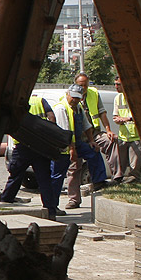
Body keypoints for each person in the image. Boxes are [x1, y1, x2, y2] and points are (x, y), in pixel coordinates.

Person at [0, 94, 60, 218]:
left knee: (16, 175)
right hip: (40, 146)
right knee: (44, 180)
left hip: (23, 146)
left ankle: (6, 201)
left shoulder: (16, 103)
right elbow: (52, 118)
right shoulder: (40, 101)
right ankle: (50, 210)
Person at [64, 74, 111, 209]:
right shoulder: (64, 105)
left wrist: (91, 141)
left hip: (84, 139)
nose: (83, 87)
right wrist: (71, 148)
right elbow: (67, 130)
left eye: (85, 85)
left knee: (94, 151)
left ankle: (99, 181)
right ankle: (73, 200)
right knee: (73, 169)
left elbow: (86, 124)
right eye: (80, 85)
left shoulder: (85, 100)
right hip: (70, 142)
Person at [51, 84, 84, 216]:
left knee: (57, 179)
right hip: (60, 151)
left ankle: (52, 206)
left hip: (66, 150)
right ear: (67, 94)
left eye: (78, 98)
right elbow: (65, 132)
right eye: (73, 97)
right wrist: (72, 149)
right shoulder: (61, 108)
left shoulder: (77, 108)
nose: (75, 100)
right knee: (56, 179)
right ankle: (51, 207)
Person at [113, 76, 141, 183]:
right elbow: (115, 116)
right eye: (115, 84)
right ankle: (120, 180)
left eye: (118, 84)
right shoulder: (118, 98)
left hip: (136, 136)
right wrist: (119, 119)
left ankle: (135, 182)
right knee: (120, 163)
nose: (116, 86)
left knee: (135, 165)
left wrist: (127, 118)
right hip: (123, 136)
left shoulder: (136, 97)